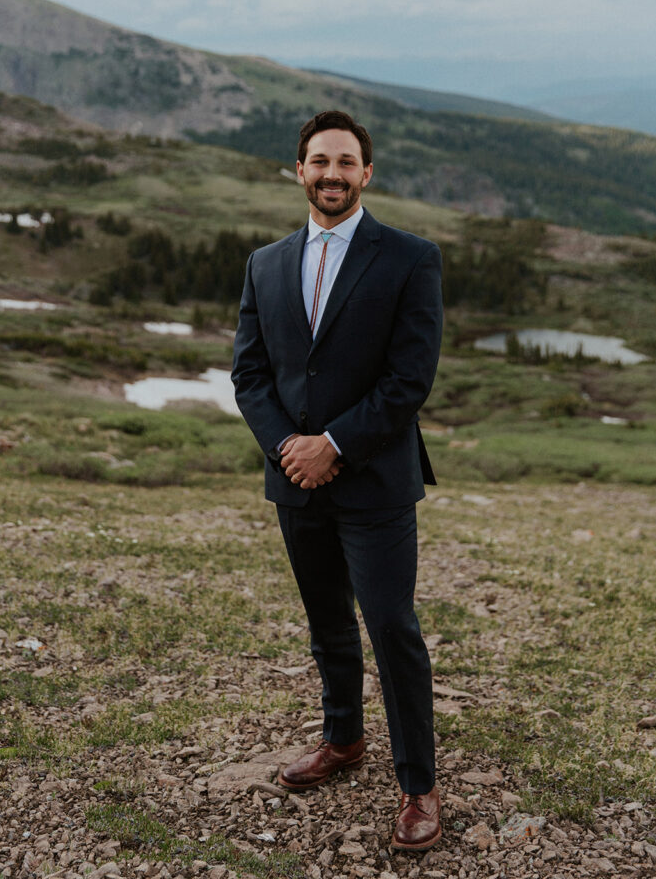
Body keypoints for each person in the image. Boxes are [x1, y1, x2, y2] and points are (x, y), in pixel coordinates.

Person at [231, 109, 444, 850]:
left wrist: (334, 445)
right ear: (299, 170)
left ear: (366, 174)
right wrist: (290, 446)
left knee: (392, 629)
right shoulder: (265, 262)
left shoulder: (410, 258)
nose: (331, 174)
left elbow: (409, 378)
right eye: (319, 161)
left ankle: (419, 784)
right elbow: (250, 373)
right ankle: (344, 740)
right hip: (295, 481)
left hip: (376, 482)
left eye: (346, 162)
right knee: (328, 627)